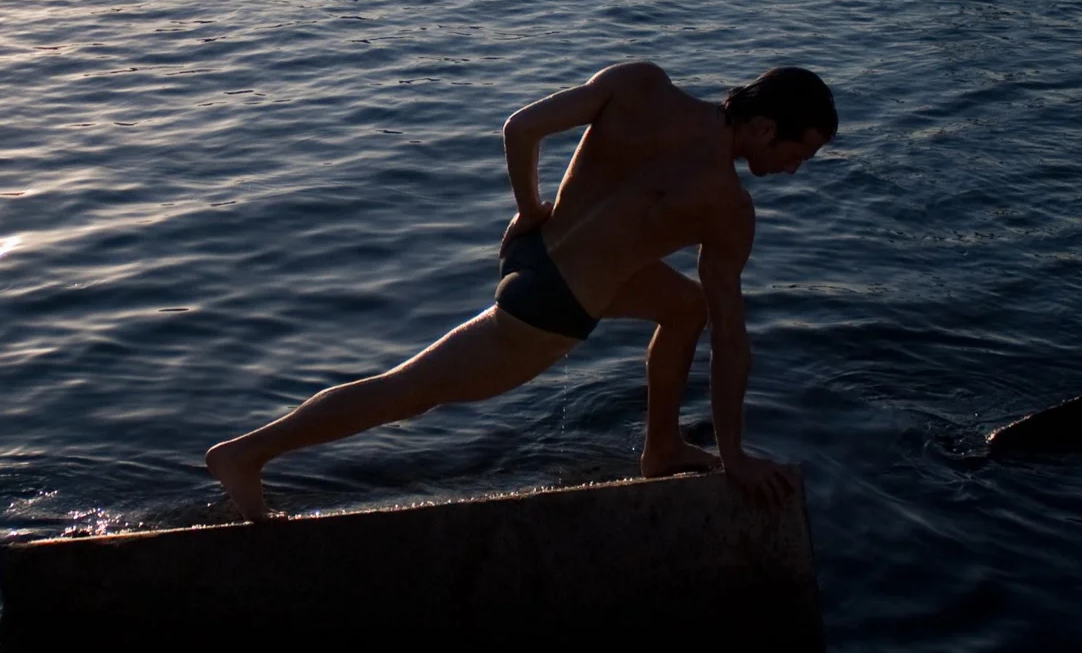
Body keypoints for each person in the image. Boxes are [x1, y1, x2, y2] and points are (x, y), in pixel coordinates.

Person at [205, 62, 837, 522]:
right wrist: (737, 455)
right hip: (549, 312)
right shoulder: (726, 207)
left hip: (533, 250)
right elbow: (732, 341)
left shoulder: (642, 84)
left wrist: (532, 210)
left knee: (682, 307)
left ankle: (662, 444)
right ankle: (248, 454)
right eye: (797, 153)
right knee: (410, 393)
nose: (794, 170)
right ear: (760, 126)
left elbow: (520, 129)